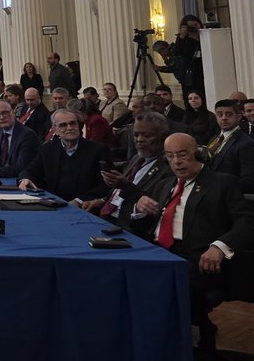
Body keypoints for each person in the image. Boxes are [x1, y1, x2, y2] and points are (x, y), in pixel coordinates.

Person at [155, 132, 254, 343]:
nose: (176, 161)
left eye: (182, 154)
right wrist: (139, 208)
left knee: (161, 285)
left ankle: (172, 344)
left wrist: (220, 246)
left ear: (199, 153)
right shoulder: (166, 184)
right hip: (161, 252)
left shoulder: (222, 183)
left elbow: (247, 222)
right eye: (170, 156)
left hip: (199, 259)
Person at [82, 112, 176, 234]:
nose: (140, 140)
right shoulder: (137, 158)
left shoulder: (169, 167)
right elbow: (119, 193)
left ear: (163, 137)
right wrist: (100, 202)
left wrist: (126, 186)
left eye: (147, 136)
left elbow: (152, 204)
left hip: (129, 227)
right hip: (106, 217)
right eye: (136, 135)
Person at [18, 109, 110, 202]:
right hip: (53, 203)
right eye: (63, 125)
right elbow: (30, 171)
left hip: (84, 206)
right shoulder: (47, 150)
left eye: (73, 123)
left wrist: (79, 201)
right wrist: (26, 179)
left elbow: (107, 185)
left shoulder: (98, 150)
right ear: (55, 130)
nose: (69, 128)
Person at [207, 100, 254, 193]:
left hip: (229, 195)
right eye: (219, 114)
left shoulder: (246, 143)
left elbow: (249, 180)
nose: (224, 118)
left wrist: (221, 187)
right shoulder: (213, 139)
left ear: (239, 117)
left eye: (229, 114)